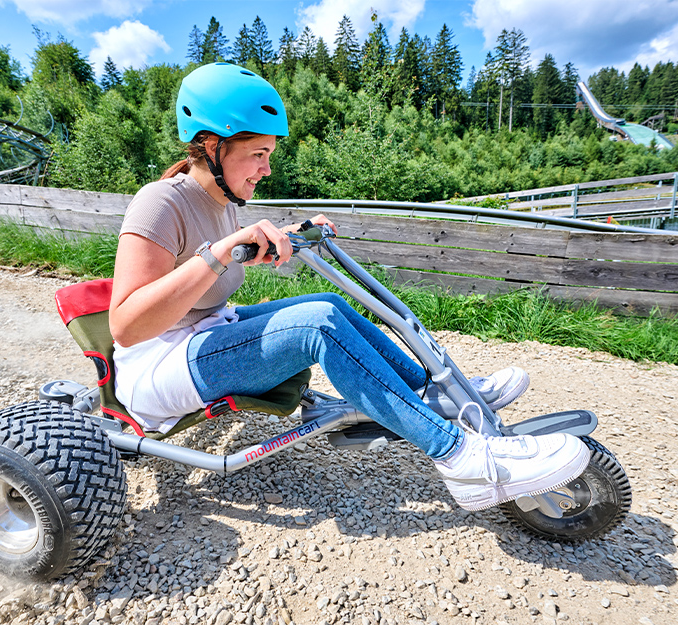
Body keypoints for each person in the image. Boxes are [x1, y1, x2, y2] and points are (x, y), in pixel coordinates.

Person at [109, 62, 589, 512]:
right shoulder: (160, 202)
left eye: (269, 155)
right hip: (157, 365)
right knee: (315, 326)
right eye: (258, 154)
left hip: (203, 334)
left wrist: (294, 234)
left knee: (328, 303)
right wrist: (217, 254)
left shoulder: (222, 199)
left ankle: (428, 393)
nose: (267, 169)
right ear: (212, 146)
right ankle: (461, 459)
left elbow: (223, 265)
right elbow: (127, 326)